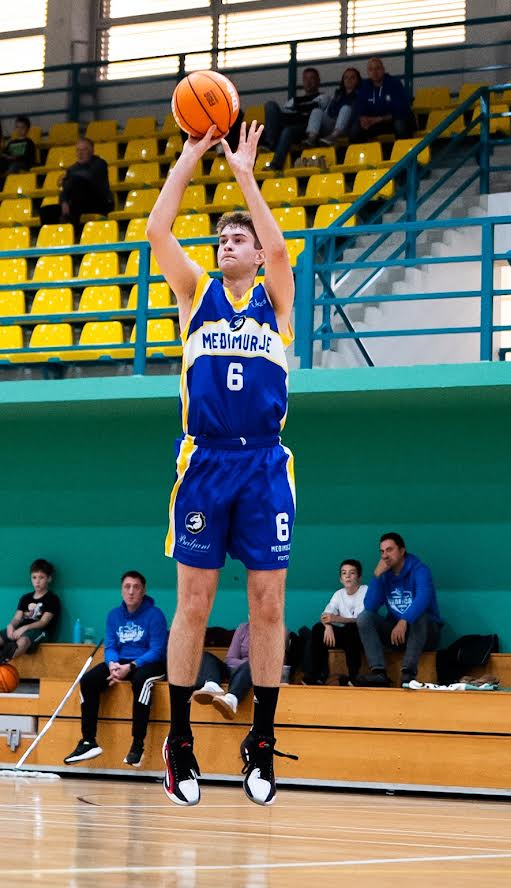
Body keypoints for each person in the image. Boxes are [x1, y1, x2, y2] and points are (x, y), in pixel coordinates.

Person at [147, 119, 297, 807]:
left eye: (237, 239)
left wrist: (243, 175)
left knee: (268, 605)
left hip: (263, 465)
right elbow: (158, 232)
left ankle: (260, 741)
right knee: (193, 604)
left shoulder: (276, 301)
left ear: (255, 253)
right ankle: (179, 742)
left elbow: (279, 247)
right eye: (221, 239)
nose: (226, 244)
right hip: (204, 462)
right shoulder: (195, 294)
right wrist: (187, 159)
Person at [64, 570, 167, 768]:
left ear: (143, 590)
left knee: (141, 681)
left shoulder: (155, 615)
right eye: (127, 587)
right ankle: (88, 742)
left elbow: (157, 650)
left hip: (147, 663)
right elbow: (110, 646)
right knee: (88, 681)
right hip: (121, 662)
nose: (131, 591)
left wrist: (132, 666)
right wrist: (112, 665)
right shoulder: (114, 615)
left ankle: (137, 745)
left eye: (136, 587)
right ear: (121, 590)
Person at [354, 533, 442, 687]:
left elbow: (423, 598)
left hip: (426, 634)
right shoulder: (384, 575)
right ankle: (379, 673)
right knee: (364, 617)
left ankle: (408, 673)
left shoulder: (420, 570)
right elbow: (370, 606)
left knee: (420, 616)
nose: (385, 556)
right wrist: (376, 576)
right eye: (382, 552)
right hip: (398, 636)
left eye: (389, 550)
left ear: (402, 551)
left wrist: (404, 620)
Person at [302, 559, 367, 685]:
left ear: (359, 577)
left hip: (361, 635)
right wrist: (328, 626)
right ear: (340, 579)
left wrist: (336, 619)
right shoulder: (339, 594)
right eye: (344, 573)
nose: (347, 576)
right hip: (344, 636)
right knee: (318, 628)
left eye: (352, 573)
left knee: (351, 628)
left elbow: (360, 620)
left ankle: (353, 677)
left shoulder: (365, 590)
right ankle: (318, 676)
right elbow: (326, 615)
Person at [40, 137, 113, 232]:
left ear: (91, 151)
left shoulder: (100, 164)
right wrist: (64, 202)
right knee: (46, 211)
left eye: (84, 150)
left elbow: (87, 177)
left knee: (76, 184)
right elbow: (65, 190)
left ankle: (73, 232)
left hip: (98, 202)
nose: (80, 153)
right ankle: (54, 237)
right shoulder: (72, 169)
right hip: (76, 203)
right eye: (78, 150)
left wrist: (67, 180)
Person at [262, 67, 329, 170]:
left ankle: (276, 164)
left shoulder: (323, 97)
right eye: (305, 79)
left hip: (306, 128)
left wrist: (296, 108)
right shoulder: (294, 100)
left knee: (287, 131)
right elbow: (286, 112)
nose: (308, 82)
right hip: (291, 123)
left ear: (318, 81)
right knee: (270, 105)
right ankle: (269, 145)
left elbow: (314, 108)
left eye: (312, 78)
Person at [0, 558, 60, 664]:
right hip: (20, 629)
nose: (37, 581)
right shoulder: (26, 598)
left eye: (41, 577)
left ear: (49, 579)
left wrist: (25, 628)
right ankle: (6, 651)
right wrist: (11, 626)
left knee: (23, 641)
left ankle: (4, 658)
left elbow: (43, 622)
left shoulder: (52, 599)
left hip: (40, 632)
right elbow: (17, 618)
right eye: (34, 577)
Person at [348, 57, 415, 142]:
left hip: (393, 121)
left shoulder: (394, 84)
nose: (374, 72)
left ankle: (405, 150)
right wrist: (363, 118)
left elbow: (401, 110)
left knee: (400, 124)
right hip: (374, 123)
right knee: (355, 129)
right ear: (368, 72)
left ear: (383, 70)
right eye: (371, 69)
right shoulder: (364, 86)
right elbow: (359, 108)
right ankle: (362, 150)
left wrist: (379, 119)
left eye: (377, 68)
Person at [304, 68, 362, 146]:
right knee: (317, 111)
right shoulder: (337, 94)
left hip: (347, 126)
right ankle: (312, 138)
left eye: (352, 77)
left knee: (345, 108)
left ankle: (333, 137)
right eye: (346, 77)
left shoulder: (361, 94)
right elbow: (329, 111)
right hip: (332, 123)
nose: (349, 80)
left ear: (358, 80)